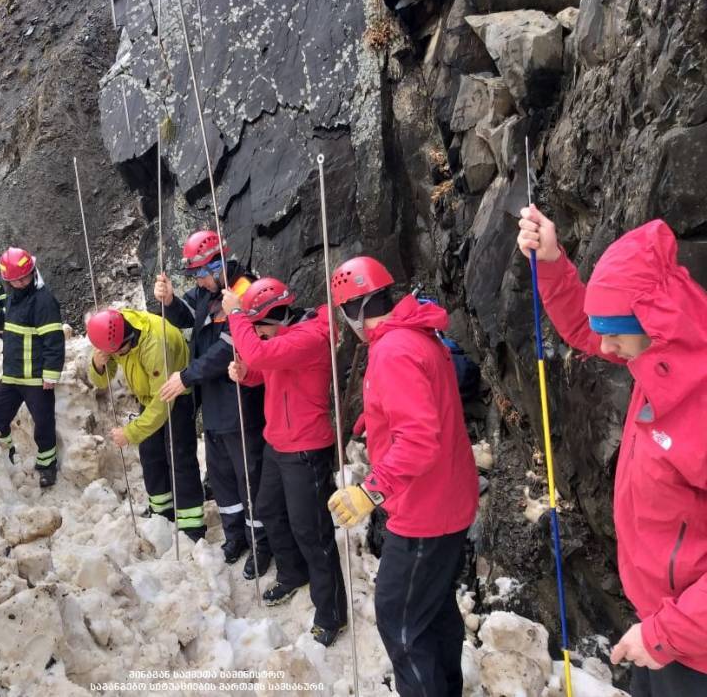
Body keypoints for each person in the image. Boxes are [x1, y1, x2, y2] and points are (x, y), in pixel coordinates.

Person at [517, 209, 707, 695]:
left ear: (654, 322)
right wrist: (552, 260)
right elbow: (588, 329)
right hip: (664, 630)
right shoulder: (659, 357)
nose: (603, 345)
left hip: (692, 650)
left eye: (615, 333)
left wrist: (667, 634)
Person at [325, 257, 479, 695]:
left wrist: (370, 491)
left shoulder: (392, 351)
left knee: (400, 618)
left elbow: (418, 440)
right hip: (449, 498)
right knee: (434, 609)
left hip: (425, 510)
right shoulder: (417, 335)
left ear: (354, 310)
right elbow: (423, 408)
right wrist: (374, 420)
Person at [222, 278, 347, 647]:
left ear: (271, 320)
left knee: (312, 531)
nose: (257, 334)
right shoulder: (285, 338)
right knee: (268, 509)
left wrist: (237, 317)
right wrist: (248, 375)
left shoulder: (308, 337)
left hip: (305, 448)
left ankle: (331, 614)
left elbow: (263, 354)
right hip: (279, 442)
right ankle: (293, 573)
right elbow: (266, 366)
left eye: (258, 327)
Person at [155, 229, 270, 578]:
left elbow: (228, 347)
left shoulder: (244, 291)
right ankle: (235, 535)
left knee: (249, 476)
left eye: (202, 274)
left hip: (240, 400)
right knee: (221, 477)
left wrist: (186, 377)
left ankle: (261, 541)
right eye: (194, 276)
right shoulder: (209, 291)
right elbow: (187, 314)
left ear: (219, 263)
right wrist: (171, 299)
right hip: (215, 404)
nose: (199, 282)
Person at [87, 307, 206, 541]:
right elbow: (103, 379)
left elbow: (162, 404)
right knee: (151, 453)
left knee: (179, 456)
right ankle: (161, 511)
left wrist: (130, 433)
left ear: (128, 340)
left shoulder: (155, 344)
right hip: (148, 396)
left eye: (118, 352)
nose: (117, 355)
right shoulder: (111, 331)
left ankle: (191, 524)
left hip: (176, 395)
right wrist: (98, 363)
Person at [0, 248, 65, 487]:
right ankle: (6, 456)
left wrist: (50, 374)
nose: (20, 283)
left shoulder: (44, 300)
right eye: (14, 280)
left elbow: (54, 341)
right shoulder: (12, 296)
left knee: (43, 423)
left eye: (23, 277)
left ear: (32, 271)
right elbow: (4, 322)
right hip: (11, 375)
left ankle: (47, 465)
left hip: (36, 378)